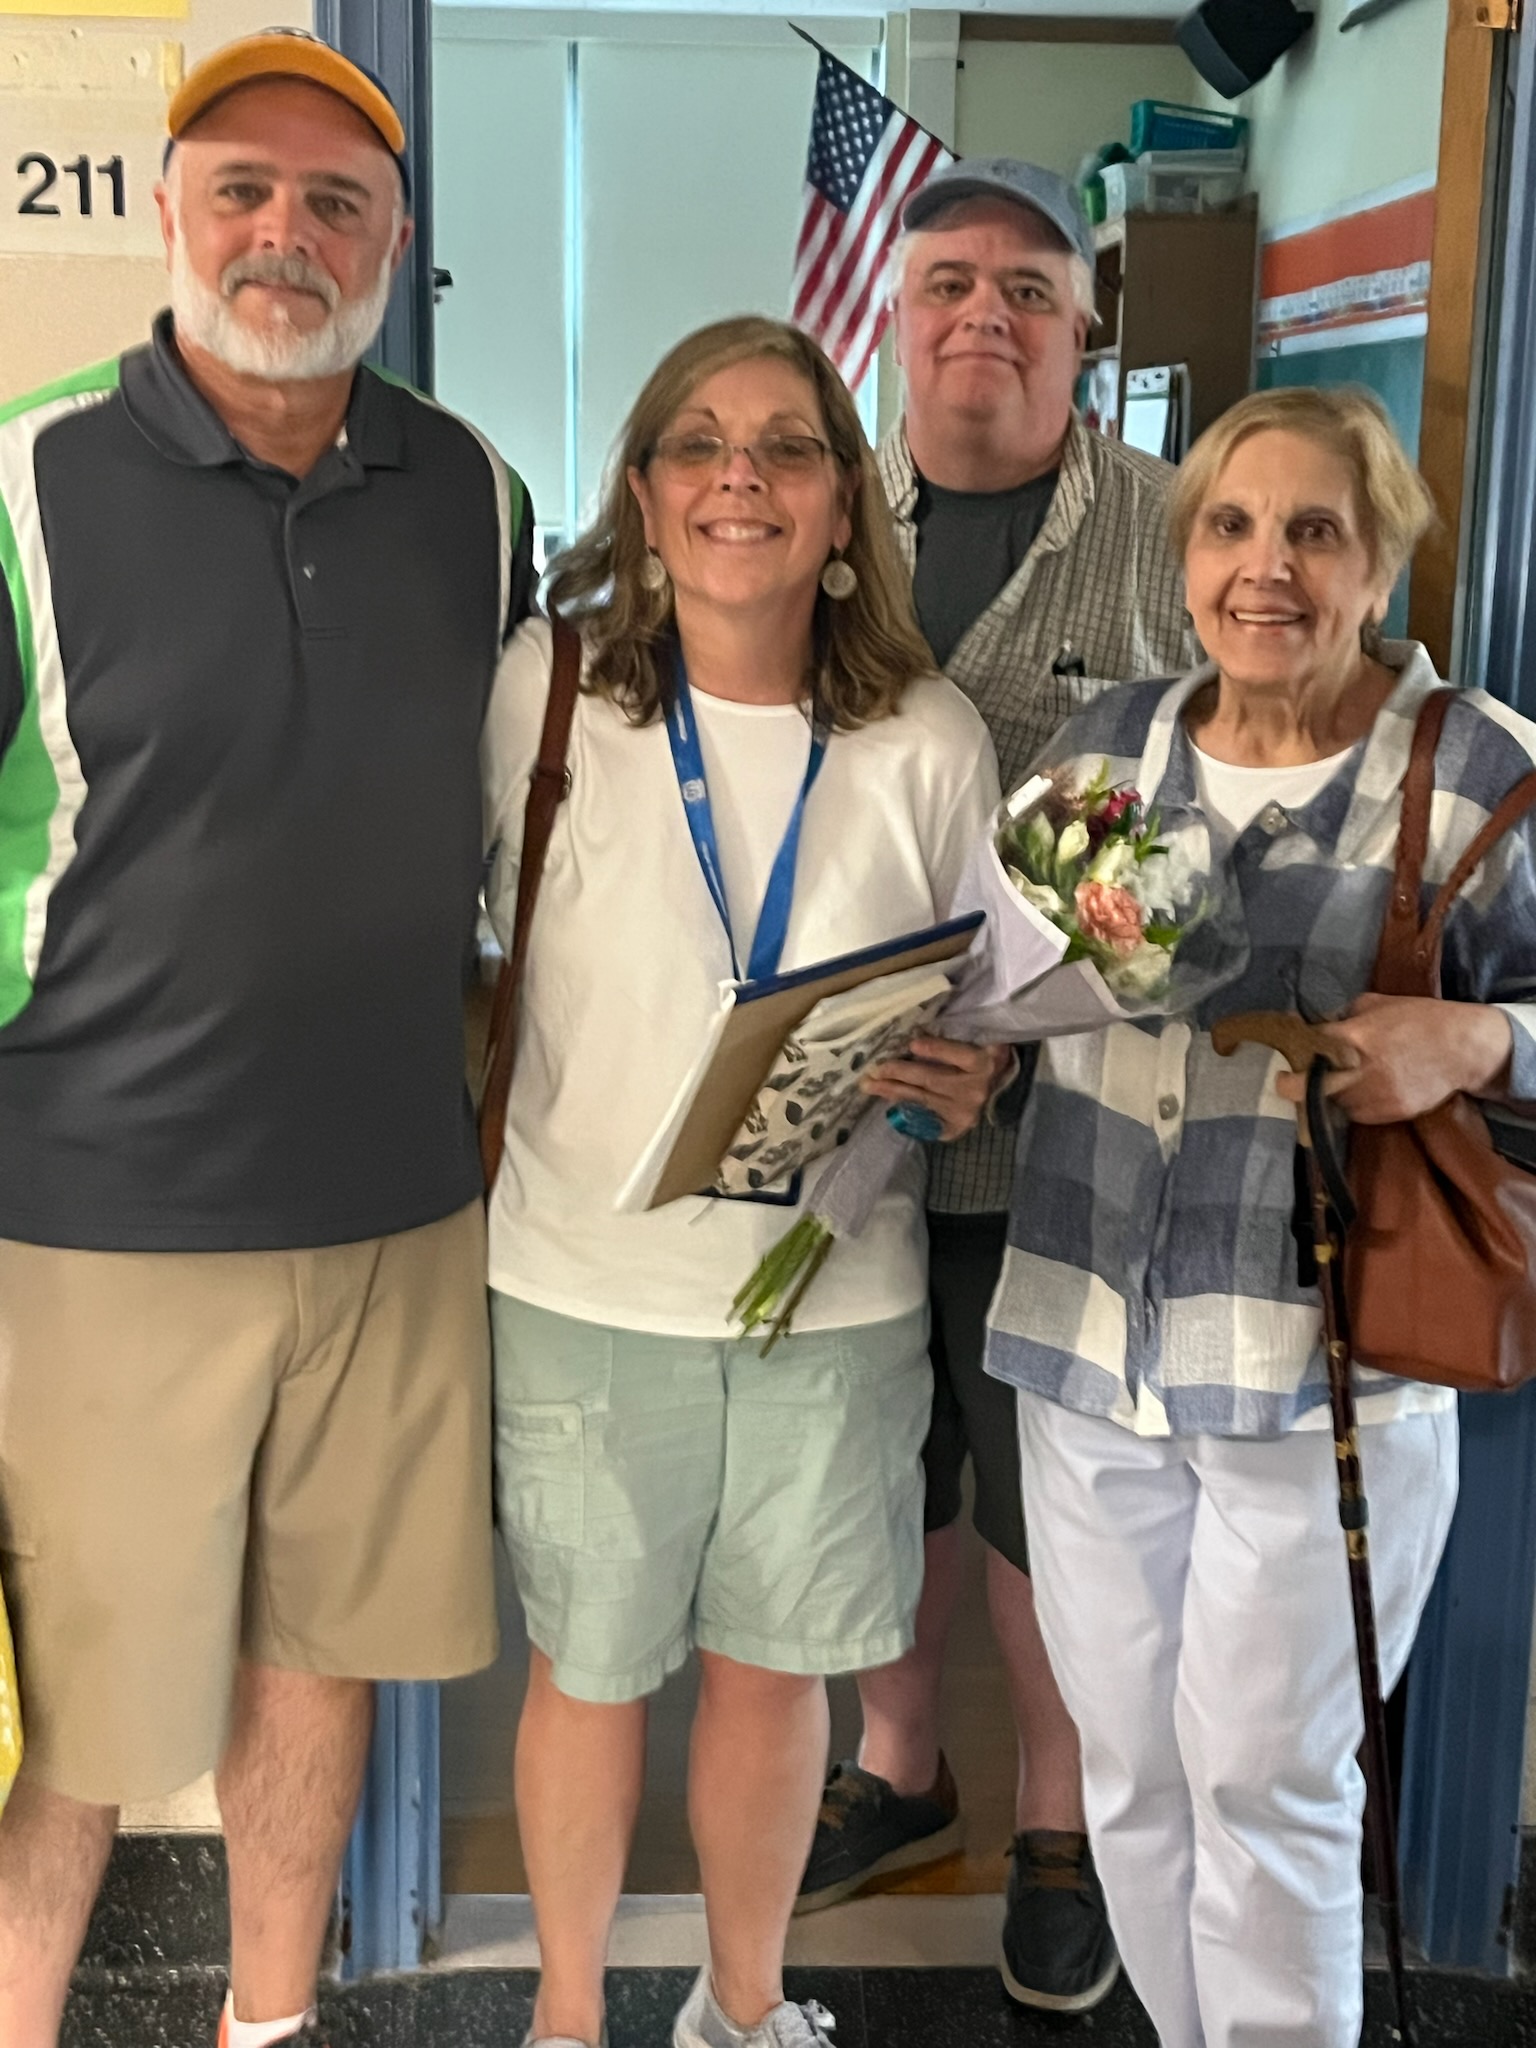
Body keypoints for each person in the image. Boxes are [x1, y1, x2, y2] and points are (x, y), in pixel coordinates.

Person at [0, 32, 534, 2048]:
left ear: (399, 238)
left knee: (323, 1671)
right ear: (164, 210)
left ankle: (270, 2022)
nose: (284, 234)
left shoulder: (477, 494)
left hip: (396, 1209)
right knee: (83, 1713)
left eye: (336, 202)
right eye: (243, 188)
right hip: (100, 1221)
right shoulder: (26, 481)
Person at [985, 384, 1536, 2046]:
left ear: (1382, 562)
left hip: (1322, 1364)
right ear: (1186, 553)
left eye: (1317, 530)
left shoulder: (1475, 773)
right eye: (1231, 526)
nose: (1267, 568)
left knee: (1270, 1784)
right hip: (1088, 1344)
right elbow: (1006, 987)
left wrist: (1478, 1035)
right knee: (1136, 1774)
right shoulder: (1101, 754)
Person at [481, 315, 1007, 2048]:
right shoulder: (544, 693)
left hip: (830, 1298)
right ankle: (568, 2017)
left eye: (788, 449)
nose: (740, 481)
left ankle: (743, 2005)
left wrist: (965, 1072)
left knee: (776, 1673)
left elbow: (980, 1000)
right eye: (697, 444)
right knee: (587, 1672)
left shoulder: (926, 734)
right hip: (581, 1281)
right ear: (641, 495)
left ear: (846, 507)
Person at [797, 156, 1192, 2016]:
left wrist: (1001, 1033)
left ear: (1086, 330)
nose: (985, 318)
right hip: (840, 1127)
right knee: (886, 1480)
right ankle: (898, 1774)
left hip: (1075, 1135)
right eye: (948, 282)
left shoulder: (1177, 533)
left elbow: (1219, 806)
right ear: (892, 314)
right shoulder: (805, 512)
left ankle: (1057, 1824)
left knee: (1054, 1510)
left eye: (1029, 292)